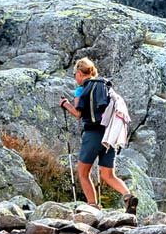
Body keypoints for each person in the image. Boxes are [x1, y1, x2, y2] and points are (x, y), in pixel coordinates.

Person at [59, 57, 139, 213]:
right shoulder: (104, 87)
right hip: (110, 134)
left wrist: (65, 104)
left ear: (80, 73)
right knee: (108, 174)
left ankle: (92, 207)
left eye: (75, 73)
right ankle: (128, 196)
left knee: (83, 173)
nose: (75, 77)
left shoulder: (81, 89)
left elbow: (77, 113)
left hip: (92, 135)